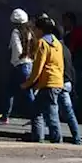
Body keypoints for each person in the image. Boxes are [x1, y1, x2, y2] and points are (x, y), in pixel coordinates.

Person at [23, 14, 65, 143]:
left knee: (41, 113)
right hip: (57, 81)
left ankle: (46, 138)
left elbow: (38, 67)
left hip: (47, 82)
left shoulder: (42, 43)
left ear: (40, 30)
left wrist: (28, 83)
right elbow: (60, 64)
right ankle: (49, 138)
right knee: (46, 110)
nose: (34, 31)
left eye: (35, 29)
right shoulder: (57, 43)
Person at [0, 8, 35, 124]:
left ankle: (36, 117)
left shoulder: (16, 32)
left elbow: (17, 49)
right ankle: (6, 116)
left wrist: (19, 57)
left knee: (20, 91)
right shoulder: (30, 32)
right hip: (29, 63)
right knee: (16, 90)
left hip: (19, 65)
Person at [59, 39, 82, 145]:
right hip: (67, 82)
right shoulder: (67, 50)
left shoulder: (57, 49)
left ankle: (56, 137)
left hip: (61, 82)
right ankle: (77, 138)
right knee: (68, 112)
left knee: (53, 110)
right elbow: (71, 69)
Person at [60, 12, 82, 100]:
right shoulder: (65, 32)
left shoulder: (77, 32)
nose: (64, 23)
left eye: (66, 21)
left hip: (76, 61)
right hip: (70, 62)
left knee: (76, 84)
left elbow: (72, 47)